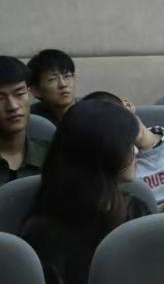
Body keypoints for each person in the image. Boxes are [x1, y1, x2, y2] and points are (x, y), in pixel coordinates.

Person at [21, 100, 150, 284]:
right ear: (104, 154)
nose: (136, 151)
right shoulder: (44, 234)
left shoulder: (136, 209)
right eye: (128, 145)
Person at [0, 56, 49, 187]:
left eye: (19, 94)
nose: (13, 106)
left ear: (30, 94)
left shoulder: (52, 156)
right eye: (0, 98)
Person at [28, 49, 78, 125]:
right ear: (36, 91)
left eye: (67, 76)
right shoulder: (31, 120)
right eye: (52, 79)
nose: (63, 84)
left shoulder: (91, 113)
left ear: (74, 78)